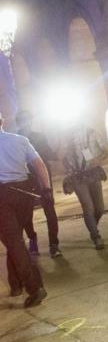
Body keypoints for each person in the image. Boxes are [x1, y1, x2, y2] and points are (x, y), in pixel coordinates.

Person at [0, 110, 50, 307]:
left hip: (2, 197)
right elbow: (40, 165)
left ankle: (34, 287)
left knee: (14, 242)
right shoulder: (20, 140)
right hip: (23, 194)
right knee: (15, 239)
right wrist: (47, 189)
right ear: (2, 121)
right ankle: (16, 284)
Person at [16, 110, 61, 258]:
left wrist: (57, 148)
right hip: (28, 180)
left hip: (38, 179)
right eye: (23, 120)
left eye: (27, 120)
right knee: (28, 214)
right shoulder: (16, 139)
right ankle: (35, 240)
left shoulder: (36, 137)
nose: (26, 123)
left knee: (47, 211)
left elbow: (49, 155)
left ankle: (53, 244)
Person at [62, 122, 108, 250]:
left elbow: (105, 150)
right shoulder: (65, 137)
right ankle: (96, 236)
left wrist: (98, 159)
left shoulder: (91, 132)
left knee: (99, 208)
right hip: (76, 176)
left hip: (93, 173)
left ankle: (92, 225)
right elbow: (61, 157)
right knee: (88, 207)